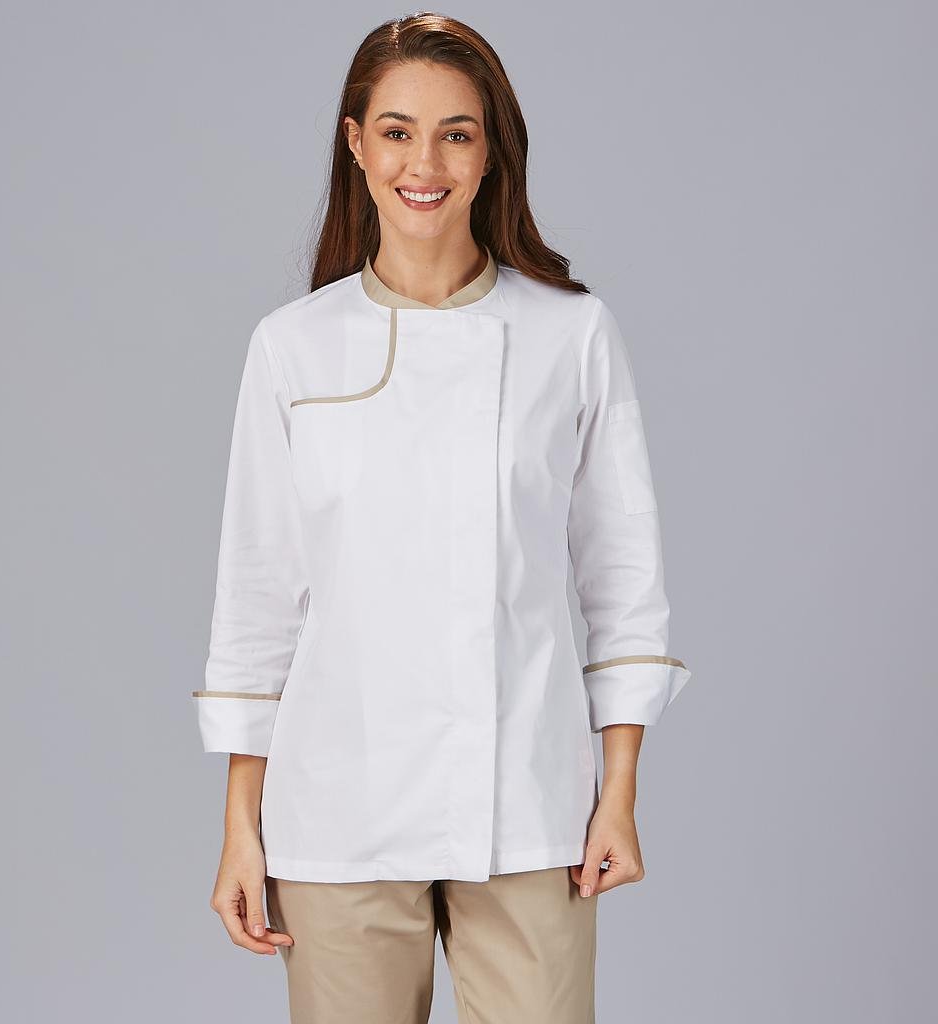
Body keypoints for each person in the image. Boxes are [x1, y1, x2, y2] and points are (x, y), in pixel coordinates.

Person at [190, 12, 692, 1023]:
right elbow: (258, 599)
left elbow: (622, 578)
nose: (425, 164)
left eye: (456, 134)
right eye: (397, 132)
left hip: (528, 805)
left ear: (491, 151)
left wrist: (619, 792)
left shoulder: (570, 335)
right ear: (355, 144)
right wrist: (241, 825)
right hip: (340, 808)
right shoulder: (292, 347)